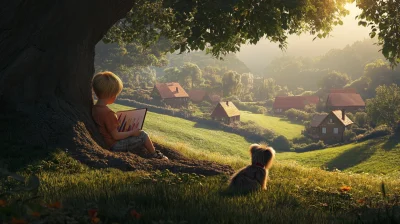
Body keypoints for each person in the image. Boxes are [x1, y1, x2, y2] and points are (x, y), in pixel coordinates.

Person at [91, 71, 168, 160]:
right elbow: (116, 136)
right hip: (114, 145)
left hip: (106, 142)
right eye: (116, 94)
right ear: (112, 95)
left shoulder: (95, 108)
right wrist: (132, 132)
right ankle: (155, 155)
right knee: (143, 135)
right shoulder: (108, 113)